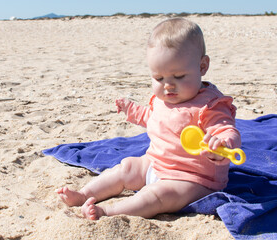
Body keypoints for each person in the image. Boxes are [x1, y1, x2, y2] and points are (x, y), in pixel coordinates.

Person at [56, 18, 241, 220]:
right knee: (125, 168)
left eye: (179, 76)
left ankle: (108, 212)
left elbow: (226, 129)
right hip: (155, 163)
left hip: (193, 179)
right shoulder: (163, 99)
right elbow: (153, 119)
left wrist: (222, 144)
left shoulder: (210, 105)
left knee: (156, 196)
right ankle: (84, 194)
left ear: (202, 66)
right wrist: (132, 111)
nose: (168, 85)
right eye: (159, 78)